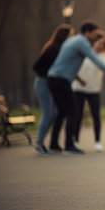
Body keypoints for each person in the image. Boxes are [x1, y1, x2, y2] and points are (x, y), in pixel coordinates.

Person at [47, 20, 105, 155]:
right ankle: (69, 146)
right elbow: (94, 59)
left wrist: (79, 78)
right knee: (73, 111)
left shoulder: (73, 41)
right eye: (94, 33)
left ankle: (53, 145)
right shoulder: (82, 42)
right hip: (61, 79)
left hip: (53, 78)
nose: (95, 36)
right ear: (87, 32)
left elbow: (70, 62)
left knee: (62, 112)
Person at [32, 24, 74, 155]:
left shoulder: (59, 48)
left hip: (48, 82)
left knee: (55, 112)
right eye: (72, 34)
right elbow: (37, 66)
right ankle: (39, 143)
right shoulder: (55, 48)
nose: (74, 37)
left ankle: (48, 142)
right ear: (66, 35)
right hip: (43, 82)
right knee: (48, 113)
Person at [71, 31, 105, 152]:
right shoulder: (84, 53)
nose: (100, 46)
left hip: (94, 89)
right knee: (78, 115)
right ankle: (75, 141)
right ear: (93, 42)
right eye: (99, 43)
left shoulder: (103, 56)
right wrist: (79, 79)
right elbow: (74, 67)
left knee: (96, 115)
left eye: (103, 44)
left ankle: (97, 141)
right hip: (79, 88)